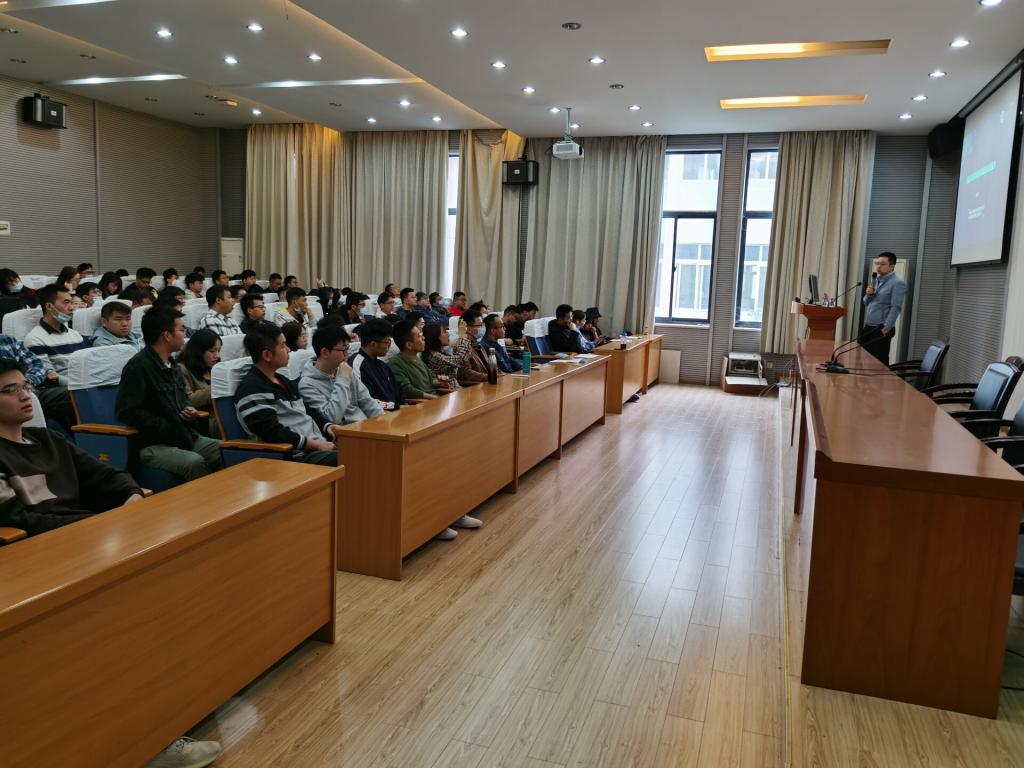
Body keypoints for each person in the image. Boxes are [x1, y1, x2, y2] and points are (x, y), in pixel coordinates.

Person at [0, 357, 143, 533]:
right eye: (11, 390)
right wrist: (96, 523)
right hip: (46, 542)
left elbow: (106, 474)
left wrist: (132, 493)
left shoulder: (49, 438)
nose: (25, 396)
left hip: (88, 530)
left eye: (26, 386)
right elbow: (17, 520)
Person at [115, 307, 223, 481]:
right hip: (152, 443)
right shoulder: (138, 367)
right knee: (194, 462)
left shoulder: (172, 364)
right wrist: (164, 425)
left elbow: (183, 399)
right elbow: (125, 412)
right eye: (181, 330)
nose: (185, 334)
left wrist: (188, 410)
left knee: (227, 450)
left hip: (182, 435)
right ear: (166, 335)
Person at [234, 324, 339, 465]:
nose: (289, 349)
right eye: (283, 346)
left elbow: (306, 410)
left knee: (363, 448)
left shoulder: (282, 380)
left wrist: (327, 426)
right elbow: (272, 433)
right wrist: (317, 445)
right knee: (356, 459)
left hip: (316, 445)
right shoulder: (252, 388)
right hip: (296, 456)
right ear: (267, 355)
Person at [299, 325, 383, 426]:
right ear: (325, 352)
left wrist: (383, 421)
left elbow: (367, 401)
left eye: (347, 348)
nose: (347, 354)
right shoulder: (307, 384)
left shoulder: (344, 369)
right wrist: (342, 379)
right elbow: (333, 418)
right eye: (343, 349)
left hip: (364, 426)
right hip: (344, 432)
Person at [23, 284, 90, 384]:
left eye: (71, 303)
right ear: (49, 306)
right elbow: (48, 375)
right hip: (63, 388)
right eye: (66, 303)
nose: (72, 308)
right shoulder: (34, 339)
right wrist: (79, 385)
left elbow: (88, 364)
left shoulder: (75, 335)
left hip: (84, 383)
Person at [859, 252, 908, 366]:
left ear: (892, 266)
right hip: (869, 326)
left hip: (881, 328)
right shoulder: (876, 280)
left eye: (882, 264)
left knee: (879, 363)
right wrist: (869, 295)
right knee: (861, 358)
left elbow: (896, 307)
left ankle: (883, 378)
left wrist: (886, 328)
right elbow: (865, 302)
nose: (878, 266)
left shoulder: (897, 283)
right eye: (877, 263)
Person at [351, 318, 405, 409]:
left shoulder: (382, 365)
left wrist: (403, 404)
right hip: (378, 415)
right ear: (373, 344)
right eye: (387, 342)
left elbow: (398, 393)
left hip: (396, 412)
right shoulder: (356, 365)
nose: (389, 346)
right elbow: (365, 401)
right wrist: (396, 406)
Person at [388, 320, 447, 399]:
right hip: (424, 403)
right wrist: (435, 398)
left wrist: (439, 382)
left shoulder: (417, 358)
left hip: (434, 398)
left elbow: (432, 379)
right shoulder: (395, 363)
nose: (423, 338)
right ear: (409, 345)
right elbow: (409, 391)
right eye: (419, 336)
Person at [178, 329, 220, 437]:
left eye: (218, 351)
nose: (217, 356)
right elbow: (188, 400)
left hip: (222, 412)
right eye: (212, 351)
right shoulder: (182, 369)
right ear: (198, 351)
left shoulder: (216, 366)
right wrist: (217, 387)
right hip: (206, 420)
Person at [450, 309, 490, 386]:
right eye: (479, 325)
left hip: (486, 383)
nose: (483, 328)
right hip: (476, 387)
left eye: (483, 325)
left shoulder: (477, 344)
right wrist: (491, 377)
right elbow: (466, 373)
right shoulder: (460, 346)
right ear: (467, 328)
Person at [421, 324, 462, 389]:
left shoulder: (440, 352)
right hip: (450, 392)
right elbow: (460, 359)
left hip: (456, 390)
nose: (448, 334)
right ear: (436, 337)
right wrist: (462, 337)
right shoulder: (435, 356)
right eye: (445, 332)